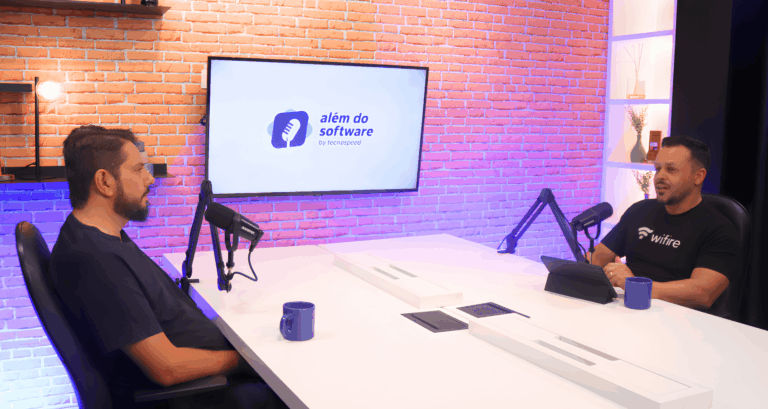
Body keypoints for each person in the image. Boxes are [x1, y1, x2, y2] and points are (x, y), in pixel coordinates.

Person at [49, 125, 286, 409]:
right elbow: (166, 367)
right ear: (105, 182)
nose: (150, 178)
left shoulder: (105, 238)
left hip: (209, 379)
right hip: (200, 395)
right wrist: (247, 360)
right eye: (138, 169)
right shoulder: (95, 260)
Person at [590, 136, 738, 311]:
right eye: (658, 169)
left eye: (671, 170)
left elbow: (703, 293)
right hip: (629, 309)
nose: (659, 177)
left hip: (679, 319)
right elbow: (598, 257)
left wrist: (634, 285)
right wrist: (574, 269)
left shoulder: (719, 228)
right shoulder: (640, 211)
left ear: (698, 176)